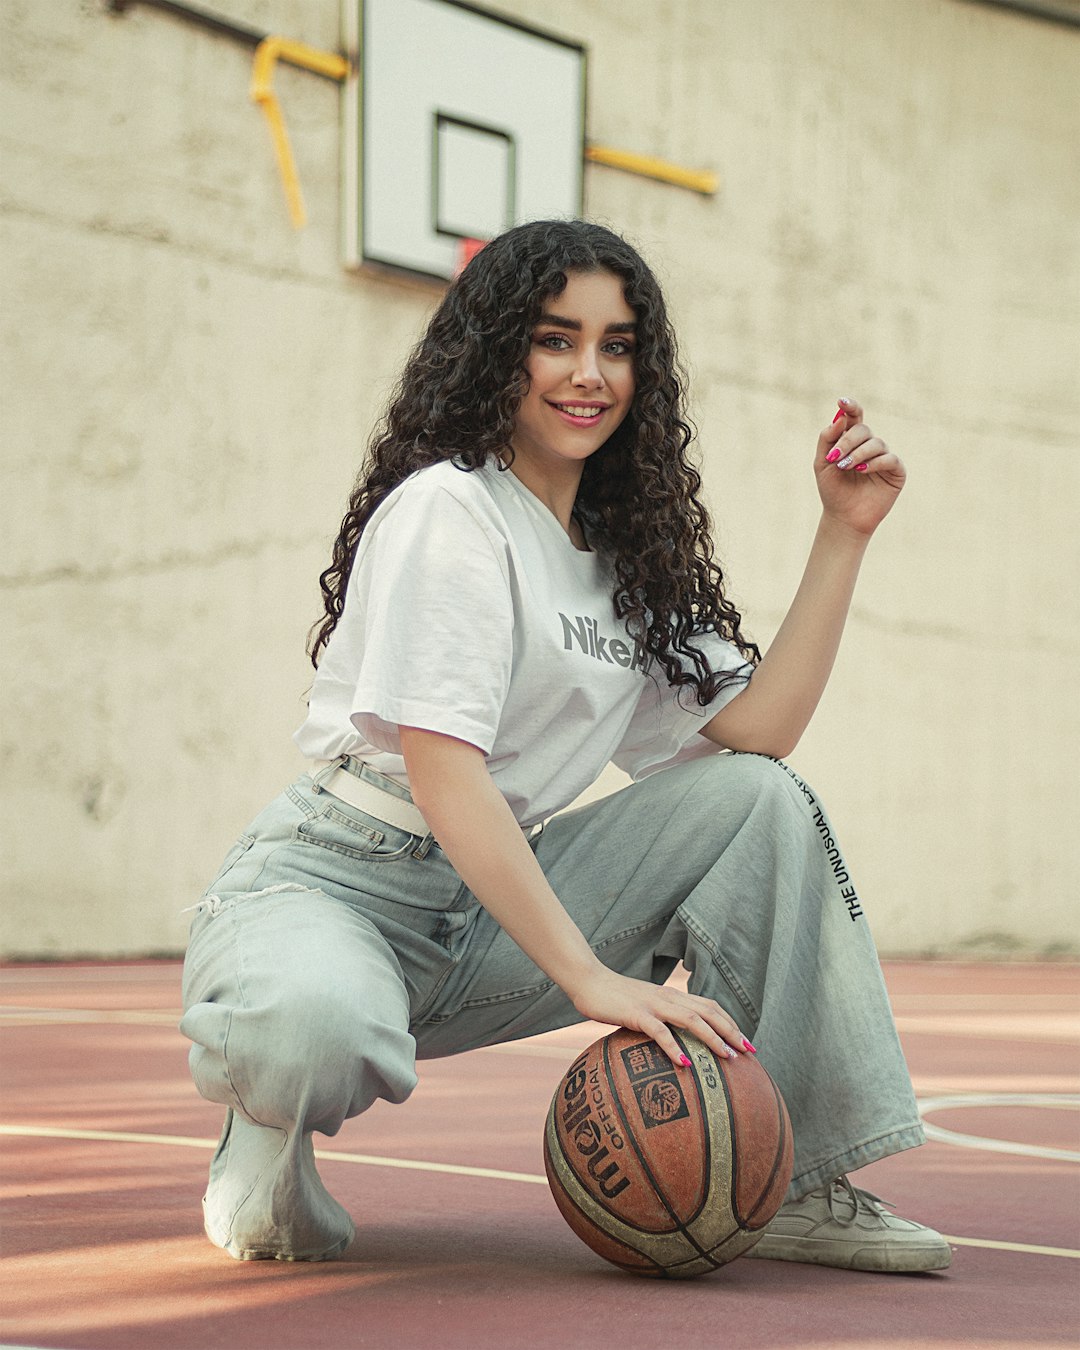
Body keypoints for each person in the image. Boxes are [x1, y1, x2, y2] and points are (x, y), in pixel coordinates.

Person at [180, 219, 951, 1273]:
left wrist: (843, 532)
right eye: (556, 339)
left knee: (760, 799)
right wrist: (585, 976)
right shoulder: (450, 511)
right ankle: (265, 1124)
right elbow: (446, 772)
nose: (589, 373)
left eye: (618, 345)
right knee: (314, 1035)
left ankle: (803, 1178)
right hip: (342, 881)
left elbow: (759, 734)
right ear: (500, 349)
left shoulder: (623, 560)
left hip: (494, 896)